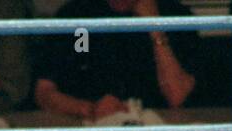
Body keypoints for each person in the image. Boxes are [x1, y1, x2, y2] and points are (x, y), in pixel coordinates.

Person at [34, 0, 200, 119]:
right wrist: (89, 109)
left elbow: (177, 96)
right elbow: (44, 93)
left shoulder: (176, 15)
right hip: (89, 130)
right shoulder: (77, 16)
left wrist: (155, 28)